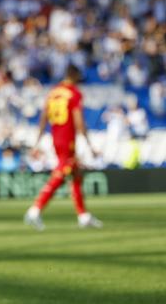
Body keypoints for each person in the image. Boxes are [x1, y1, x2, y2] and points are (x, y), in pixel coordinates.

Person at [25, 65, 103, 231]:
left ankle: (83, 216)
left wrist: (36, 143)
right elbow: (79, 122)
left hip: (56, 138)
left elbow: (43, 119)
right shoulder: (74, 93)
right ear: (74, 76)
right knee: (60, 174)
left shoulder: (53, 92)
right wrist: (90, 145)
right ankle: (35, 210)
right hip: (67, 139)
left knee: (76, 175)